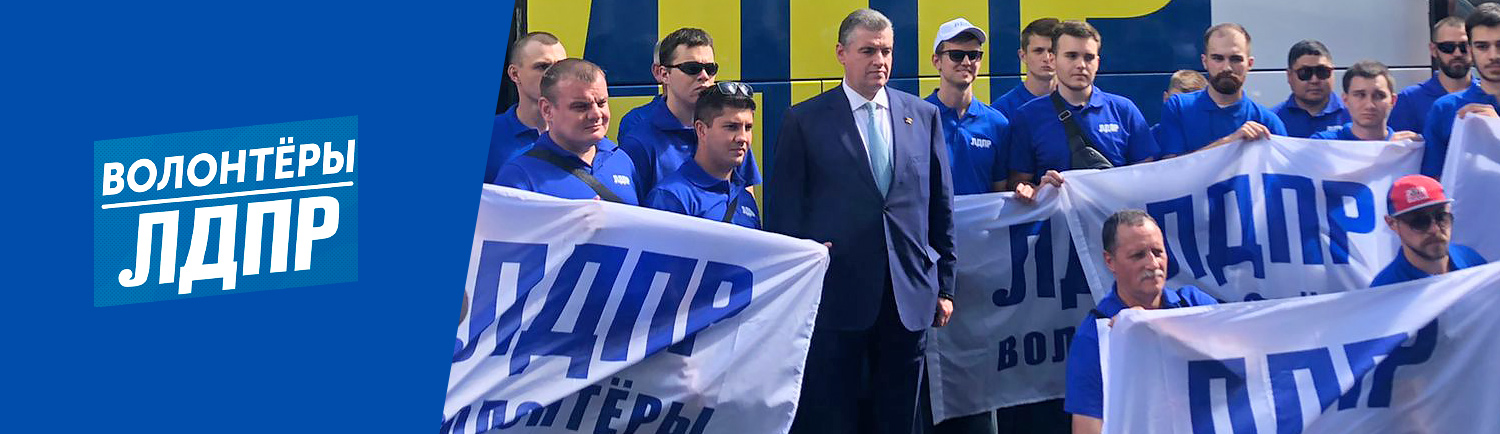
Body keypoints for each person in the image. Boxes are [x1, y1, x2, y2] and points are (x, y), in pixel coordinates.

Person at [766, 8, 956, 434]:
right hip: (837, 297)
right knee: (834, 416)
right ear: (841, 53)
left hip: (908, 295)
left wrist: (945, 286)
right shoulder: (804, 120)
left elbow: (939, 207)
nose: (880, 61)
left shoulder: (921, 116)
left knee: (899, 416)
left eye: (886, 51)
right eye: (868, 51)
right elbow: (785, 214)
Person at [1064, 210, 1220, 434]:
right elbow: (1087, 429)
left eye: (1158, 252)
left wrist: (1157, 327)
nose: (1153, 263)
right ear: (1110, 261)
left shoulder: (1195, 304)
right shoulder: (1095, 338)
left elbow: (1251, 356)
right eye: (1138, 255)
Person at [1008, 20, 1157, 203]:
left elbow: (1147, 178)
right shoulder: (1028, 116)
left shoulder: (1124, 111)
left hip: (1115, 219)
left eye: (1088, 57)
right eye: (1071, 56)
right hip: (1056, 221)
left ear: (1097, 62)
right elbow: (1019, 182)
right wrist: (1037, 189)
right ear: (1053, 60)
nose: (1081, 65)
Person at [618, 28, 761, 197]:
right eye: (692, 68)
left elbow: (745, 195)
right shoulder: (639, 140)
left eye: (710, 68)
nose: (704, 76)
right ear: (664, 74)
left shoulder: (731, 130)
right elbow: (630, 207)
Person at [494, 59, 639, 204]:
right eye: (581, 106)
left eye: (601, 103)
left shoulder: (621, 160)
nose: (596, 114)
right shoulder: (519, 176)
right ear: (547, 110)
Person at [1156, 23, 1287, 158]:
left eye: (1235, 59)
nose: (1227, 68)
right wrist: (1230, 141)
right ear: (1204, 61)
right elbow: (1172, 166)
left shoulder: (1267, 122)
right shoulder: (1179, 108)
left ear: (1249, 64)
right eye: (1218, 58)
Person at [644, 82, 761, 228]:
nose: (742, 137)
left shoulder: (745, 198)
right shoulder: (671, 197)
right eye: (731, 127)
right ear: (701, 130)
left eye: (748, 127)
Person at [925, 17, 1012, 195]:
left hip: (983, 215)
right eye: (956, 55)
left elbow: (1000, 192)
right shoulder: (917, 118)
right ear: (936, 61)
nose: (966, 62)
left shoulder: (997, 123)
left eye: (973, 55)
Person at [1423, 4, 1500, 179]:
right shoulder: (1446, 108)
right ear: (1470, 50)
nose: (1493, 55)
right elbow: (1433, 181)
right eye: (1482, 46)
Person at [1370, 175, 1487, 287]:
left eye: (1441, 217)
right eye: (1419, 221)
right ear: (1392, 224)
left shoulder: (1470, 260)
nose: (1434, 229)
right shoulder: (1384, 291)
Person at [485, 32, 566, 183]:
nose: (554, 75)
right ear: (515, 74)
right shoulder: (491, 135)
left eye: (560, 67)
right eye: (543, 66)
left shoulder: (581, 132)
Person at [1391, 17, 1476, 134]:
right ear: (1433, 50)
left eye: (1464, 46)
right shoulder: (1409, 99)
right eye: (1447, 47)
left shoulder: (1490, 94)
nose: (1457, 53)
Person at [1310, 60, 1422, 141]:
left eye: (1379, 96)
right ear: (1345, 100)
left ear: (1393, 100)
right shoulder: (1322, 144)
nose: (1369, 105)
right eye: (1360, 95)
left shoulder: (1409, 145)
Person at [1272, 40, 1351, 137]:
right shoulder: (1272, 121)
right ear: (1289, 76)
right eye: (1305, 73)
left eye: (1322, 71)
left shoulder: (1355, 117)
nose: (1314, 80)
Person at [994, 18, 1060, 119]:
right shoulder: (1002, 110)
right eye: (1038, 51)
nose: (1047, 58)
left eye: (1053, 51)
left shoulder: (1080, 103)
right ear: (1023, 56)